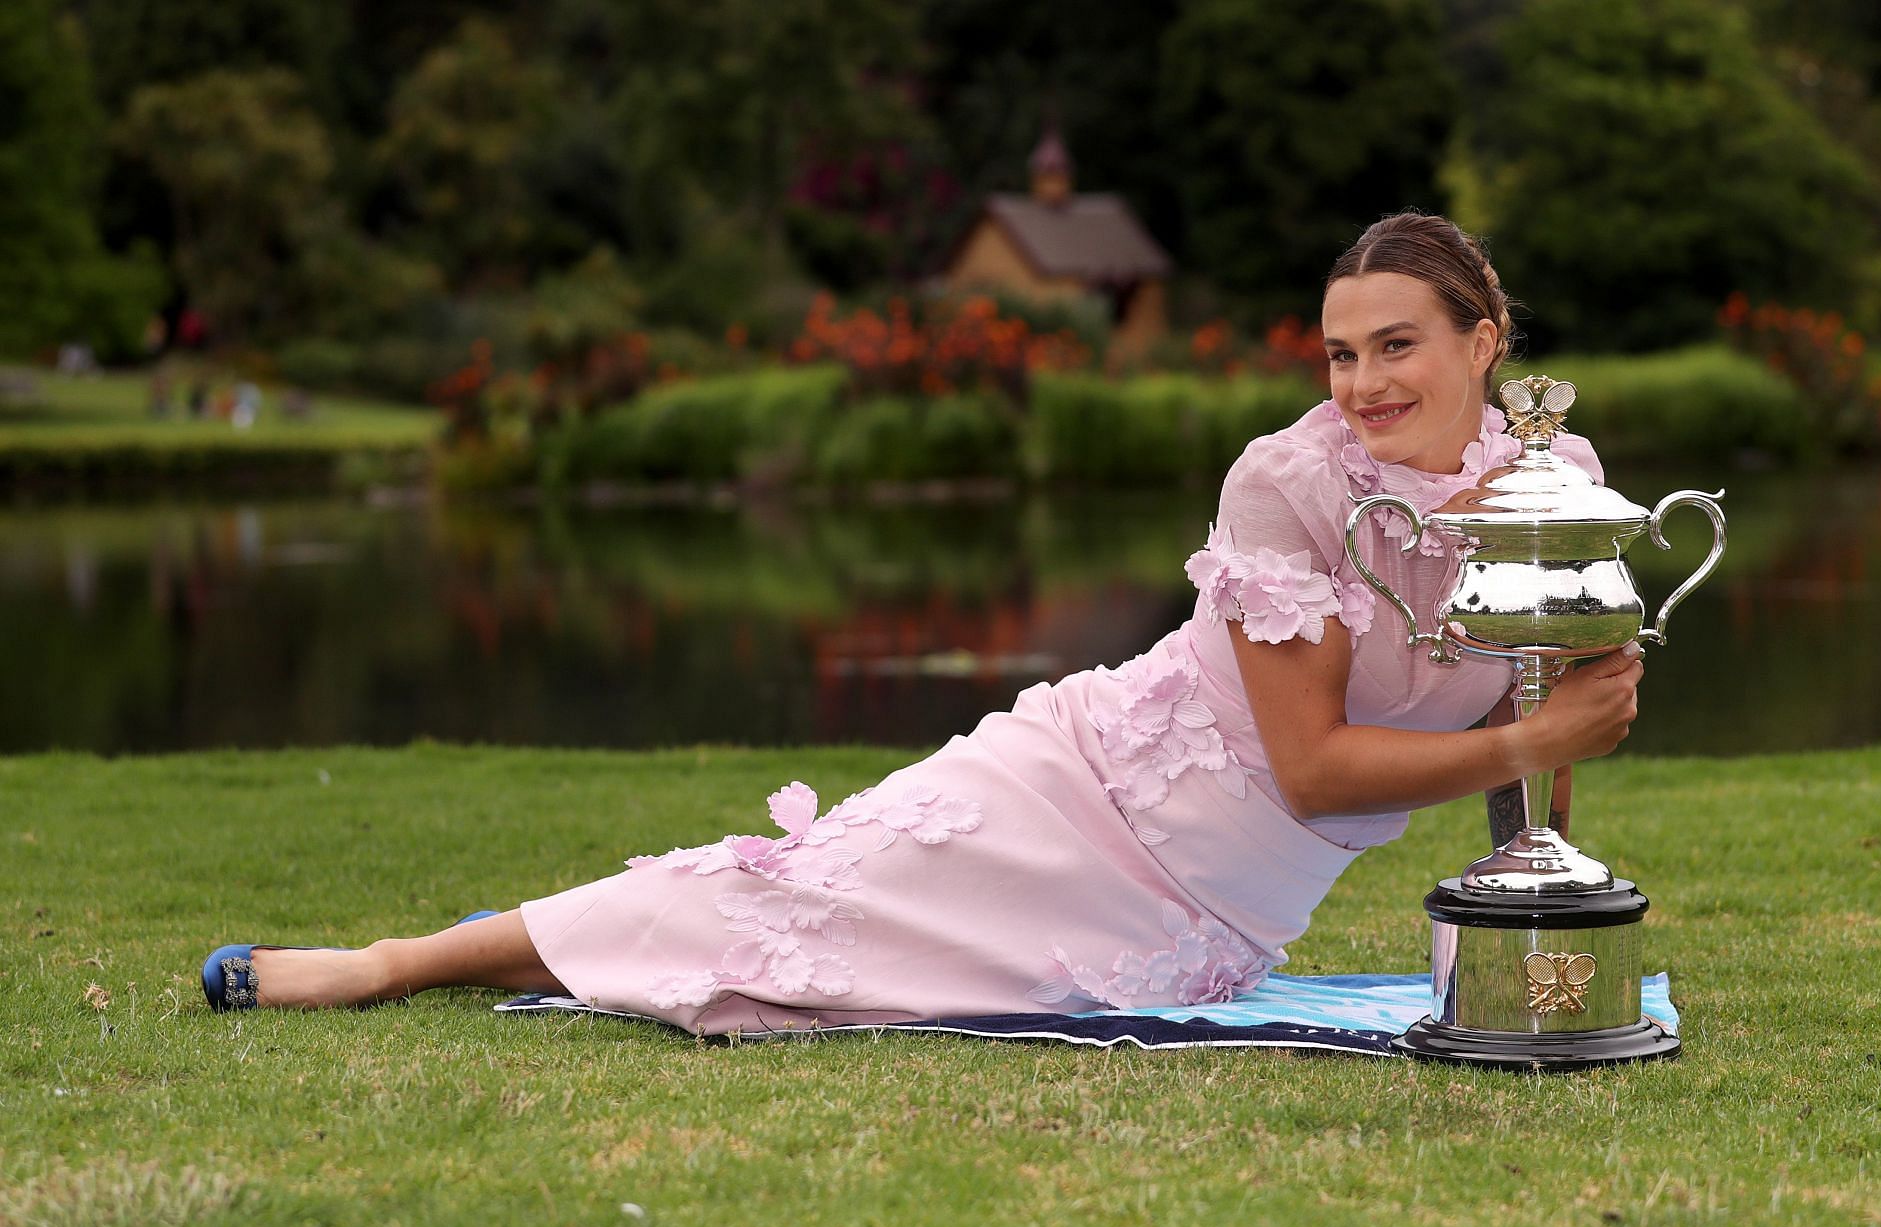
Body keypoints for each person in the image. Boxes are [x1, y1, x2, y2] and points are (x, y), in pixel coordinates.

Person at [203, 213, 1643, 1027]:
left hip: (1221, 920)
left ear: (1484, 342)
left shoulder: (1561, 483)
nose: (1363, 384)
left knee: (810, 989)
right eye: (1341, 351)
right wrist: (1541, 725)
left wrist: (1537, 910)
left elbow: (1539, 735)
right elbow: (1318, 765)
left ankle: (540, 942)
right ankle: (396, 964)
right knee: (781, 903)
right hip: (1084, 797)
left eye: (1397, 346)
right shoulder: (1288, 482)